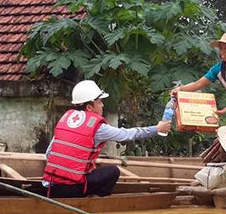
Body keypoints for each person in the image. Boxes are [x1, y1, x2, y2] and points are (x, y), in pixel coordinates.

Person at [42, 80, 172, 198]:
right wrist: (157, 128)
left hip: (52, 187)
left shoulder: (66, 119)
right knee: (113, 171)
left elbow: (49, 153)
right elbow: (127, 134)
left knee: (98, 164)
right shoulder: (97, 127)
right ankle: (96, 200)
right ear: (89, 107)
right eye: (99, 102)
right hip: (74, 188)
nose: (102, 105)